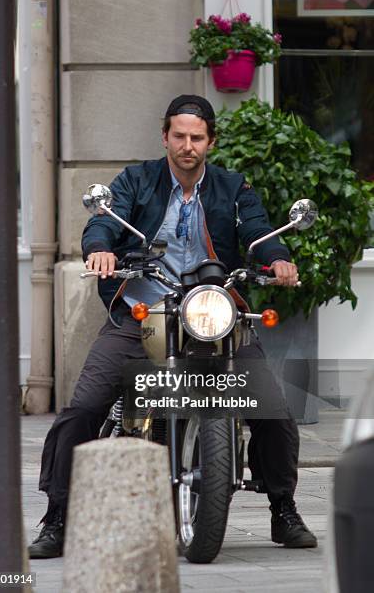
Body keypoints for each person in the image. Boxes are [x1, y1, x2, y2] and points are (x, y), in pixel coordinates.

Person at [29, 94, 317, 559]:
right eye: (179, 136)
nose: (187, 145)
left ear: (211, 141)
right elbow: (101, 224)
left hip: (213, 310)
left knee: (275, 409)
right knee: (84, 406)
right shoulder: (136, 180)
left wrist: (278, 258)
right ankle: (57, 516)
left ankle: (283, 509)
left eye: (197, 137)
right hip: (145, 312)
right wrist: (100, 250)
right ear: (165, 137)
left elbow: (258, 232)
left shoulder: (233, 187)